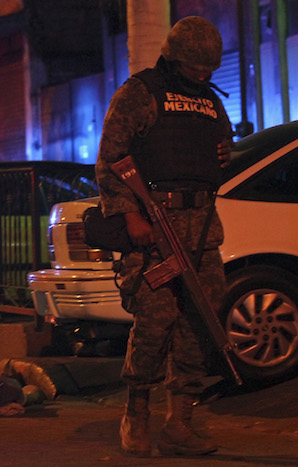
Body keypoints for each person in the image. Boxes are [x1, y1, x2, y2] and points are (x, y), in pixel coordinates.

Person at [94, 16, 234, 457]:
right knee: (155, 323)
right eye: (195, 67)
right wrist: (130, 214)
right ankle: (136, 413)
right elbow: (111, 160)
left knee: (202, 323)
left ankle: (180, 422)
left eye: (209, 68)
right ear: (174, 58)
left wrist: (224, 152)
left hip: (202, 229)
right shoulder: (140, 93)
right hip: (155, 227)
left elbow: (218, 150)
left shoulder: (209, 100)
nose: (203, 74)